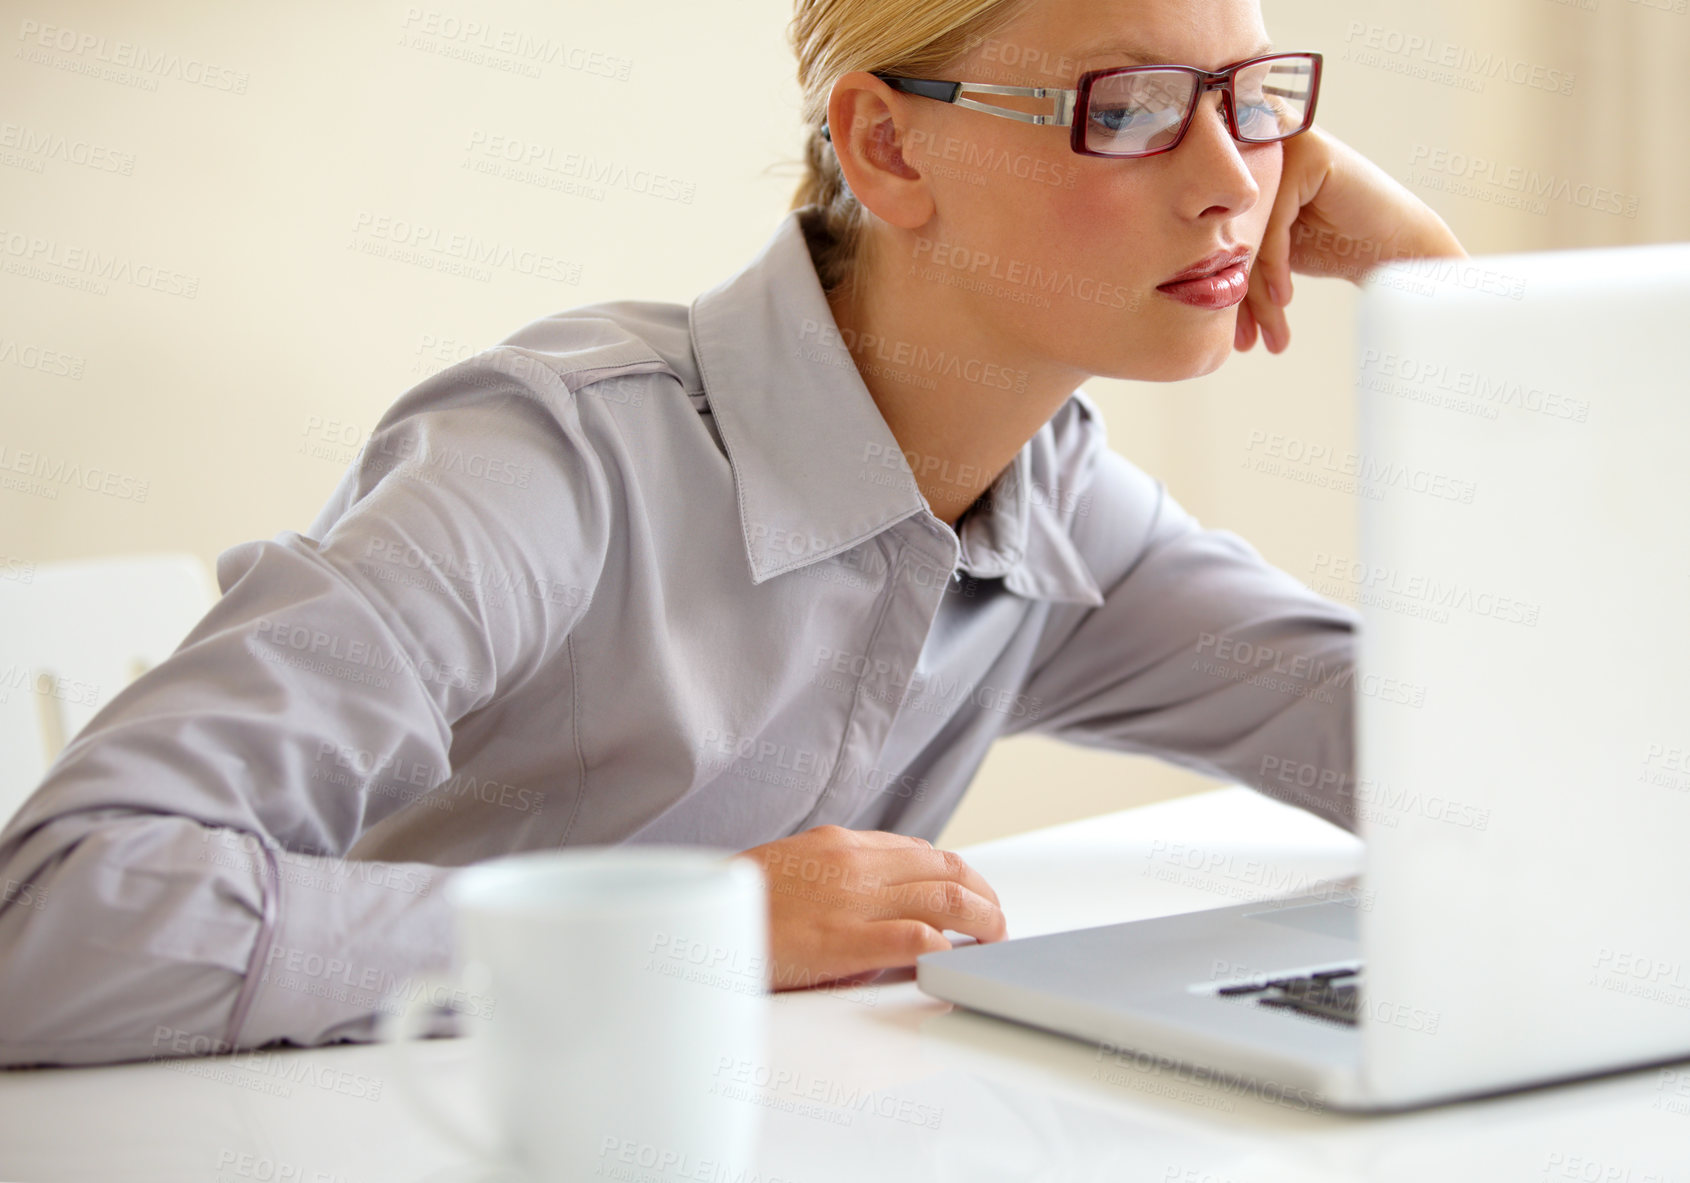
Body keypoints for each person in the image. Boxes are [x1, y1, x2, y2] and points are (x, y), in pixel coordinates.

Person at [0, 0, 1463, 1068]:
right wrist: (685, 926)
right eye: (1129, 107)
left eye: (1258, 98)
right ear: (888, 149)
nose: (1233, 180)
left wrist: (1442, 297)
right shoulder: (550, 467)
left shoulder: (1052, 505)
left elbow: (1498, 769)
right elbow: (50, 931)